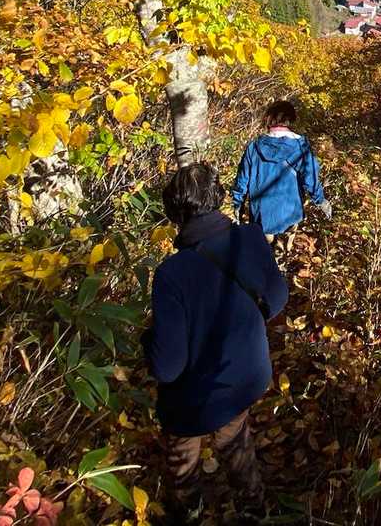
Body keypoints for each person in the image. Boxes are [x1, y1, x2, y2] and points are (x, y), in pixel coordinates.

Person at [143, 162, 288, 521]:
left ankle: (189, 510)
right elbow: (277, 299)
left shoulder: (171, 274)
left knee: (182, 442)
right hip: (248, 375)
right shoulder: (251, 238)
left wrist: (147, 341)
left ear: (174, 212)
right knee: (233, 434)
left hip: (198, 394)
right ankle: (253, 509)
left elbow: (168, 366)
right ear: (217, 197)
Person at [230, 100, 332, 242]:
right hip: (291, 211)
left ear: (269, 118)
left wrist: (237, 205)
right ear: (291, 119)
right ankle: (284, 254)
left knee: (265, 250)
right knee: (285, 249)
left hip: (262, 213)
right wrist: (321, 201)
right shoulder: (300, 146)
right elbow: (311, 177)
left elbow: (242, 179)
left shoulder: (254, 147)